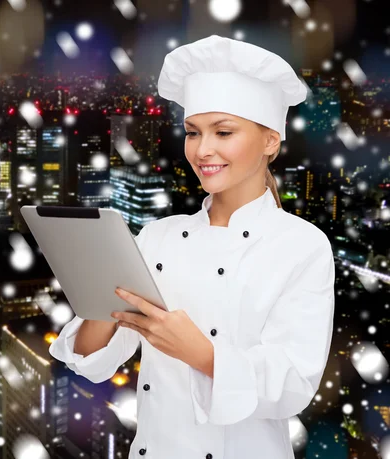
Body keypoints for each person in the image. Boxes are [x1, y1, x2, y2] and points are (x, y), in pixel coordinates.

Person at [49, 35, 336, 459]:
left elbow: (293, 385)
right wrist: (97, 297)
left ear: (271, 141)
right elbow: (94, 363)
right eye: (193, 132)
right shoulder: (158, 235)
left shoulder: (302, 245)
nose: (203, 151)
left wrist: (201, 353)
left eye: (223, 132)